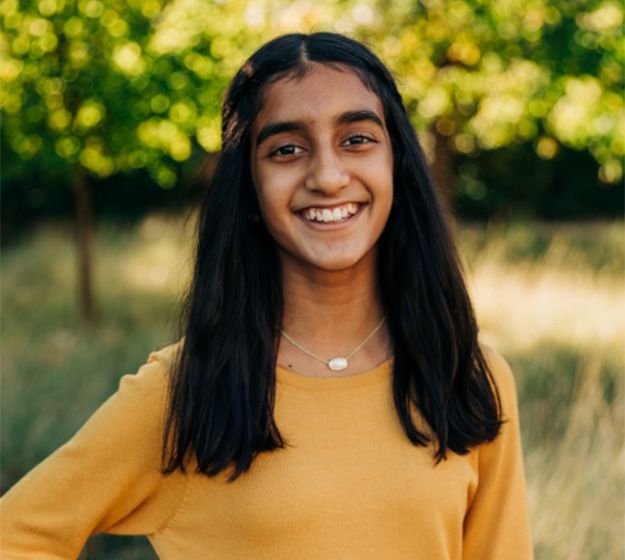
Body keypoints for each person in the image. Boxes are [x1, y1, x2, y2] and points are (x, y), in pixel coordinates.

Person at [0, 32, 533, 558]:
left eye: (356, 139)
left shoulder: (468, 376)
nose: (327, 176)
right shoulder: (185, 392)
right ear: (250, 188)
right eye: (287, 149)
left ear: (397, 164)